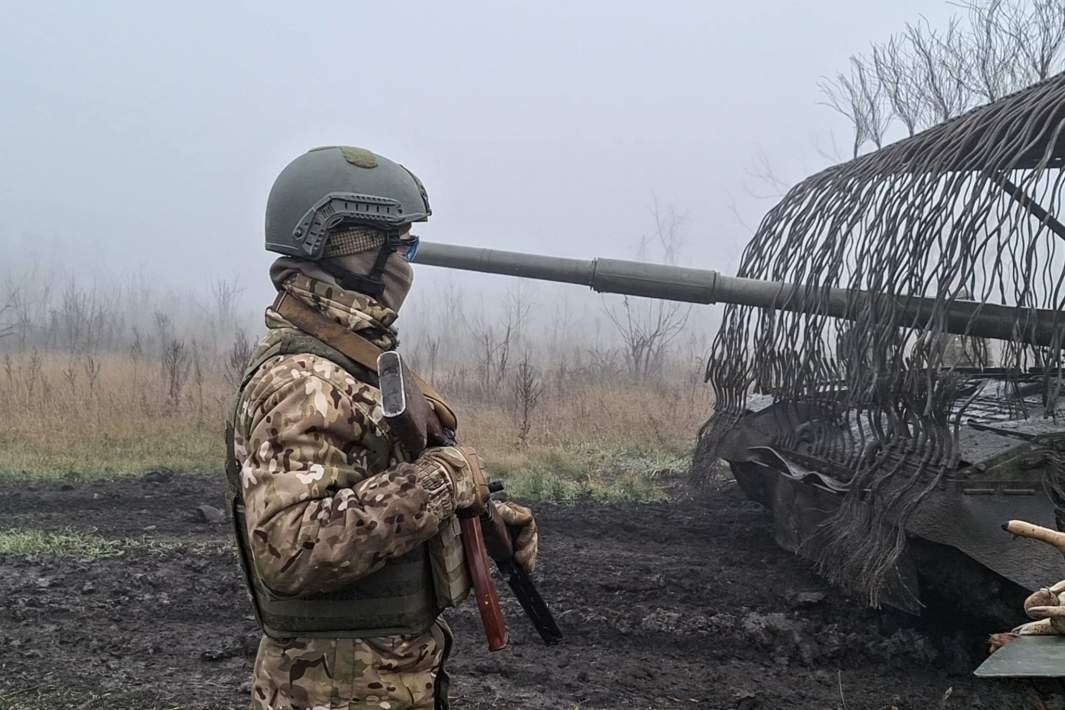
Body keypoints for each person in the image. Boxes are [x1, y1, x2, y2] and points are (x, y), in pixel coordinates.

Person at [225, 145, 539, 710]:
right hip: (332, 688)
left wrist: (478, 514)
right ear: (350, 247)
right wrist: (440, 484)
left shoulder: (352, 360)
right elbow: (294, 549)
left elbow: (371, 490)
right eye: (401, 246)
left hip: (378, 677)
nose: (406, 266)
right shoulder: (302, 379)